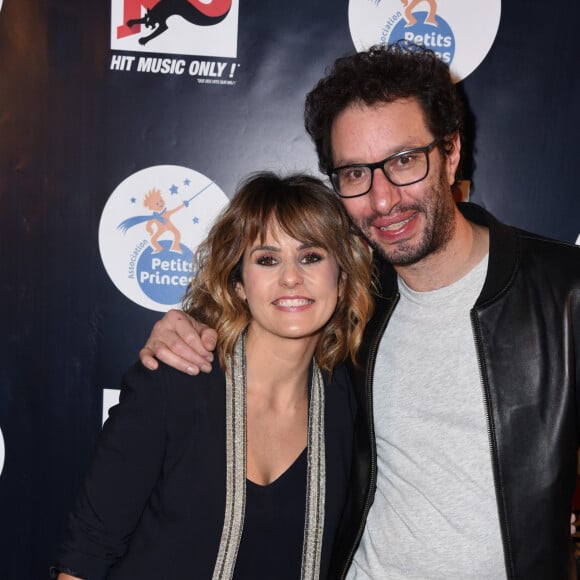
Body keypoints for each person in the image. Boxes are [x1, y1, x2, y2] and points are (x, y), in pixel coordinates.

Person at [139, 43, 580, 578]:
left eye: (403, 161)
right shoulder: (348, 298)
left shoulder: (563, 293)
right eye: (354, 174)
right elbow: (260, 314)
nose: (382, 199)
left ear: (451, 152)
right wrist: (186, 325)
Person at [51, 172, 374, 580]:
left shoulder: (347, 400)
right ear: (239, 284)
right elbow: (84, 559)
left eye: (311, 256)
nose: (291, 277)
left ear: (342, 280)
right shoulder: (174, 380)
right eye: (267, 259)